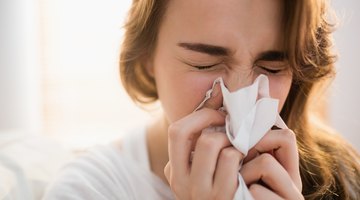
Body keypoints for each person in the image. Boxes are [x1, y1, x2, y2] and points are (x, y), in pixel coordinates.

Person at [43, 0, 360, 199]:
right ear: (145, 60)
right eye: (204, 64)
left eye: (272, 67)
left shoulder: (338, 176)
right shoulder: (91, 190)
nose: (238, 96)